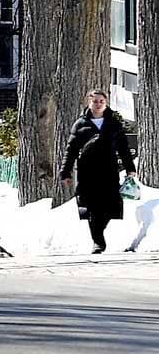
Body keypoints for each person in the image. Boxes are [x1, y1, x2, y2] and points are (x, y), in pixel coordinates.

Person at [62, 88, 136, 253]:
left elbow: (123, 147)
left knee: (110, 206)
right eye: (95, 101)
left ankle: (98, 232)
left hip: (108, 170)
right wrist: (65, 172)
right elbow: (71, 149)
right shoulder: (80, 124)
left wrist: (130, 168)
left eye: (101, 101)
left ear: (106, 103)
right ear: (89, 102)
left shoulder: (113, 123)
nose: (98, 104)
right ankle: (98, 241)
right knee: (92, 207)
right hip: (87, 172)